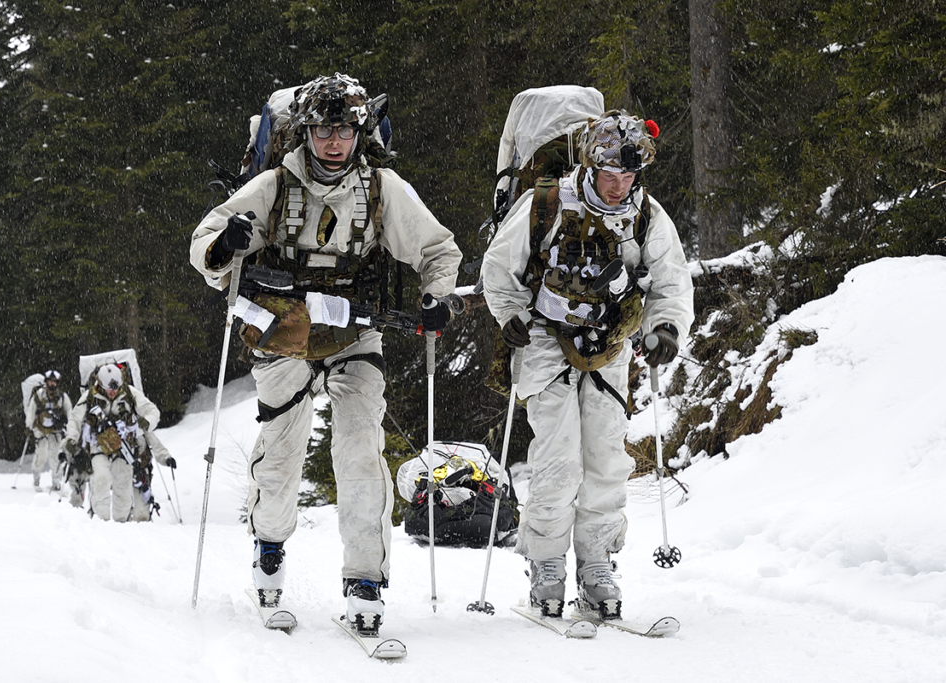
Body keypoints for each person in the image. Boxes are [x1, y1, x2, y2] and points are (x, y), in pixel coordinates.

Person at [189, 73, 461, 633]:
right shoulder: (272, 184)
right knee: (283, 447)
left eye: (344, 130)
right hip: (279, 329)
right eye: (322, 130)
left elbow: (437, 247)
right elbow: (204, 244)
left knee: (361, 445)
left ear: (360, 131)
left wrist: (437, 297)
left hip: (355, 330)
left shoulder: (383, 188)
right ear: (307, 131)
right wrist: (226, 243)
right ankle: (269, 548)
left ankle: (366, 579)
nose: (333, 141)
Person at [481, 110, 694, 619]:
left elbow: (671, 281)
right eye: (610, 174)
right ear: (590, 165)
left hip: (610, 344)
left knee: (605, 458)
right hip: (543, 339)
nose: (619, 185)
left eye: (628, 175)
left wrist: (665, 329)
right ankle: (547, 564)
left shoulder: (647, 216)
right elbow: (498, 266)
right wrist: (509, 313)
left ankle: (596, 563)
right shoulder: (547, 202)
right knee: (558, 458)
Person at [63, 364, 176, 522]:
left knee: (123, 487)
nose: (113, 392)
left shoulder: (130, 393)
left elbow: (153, 411)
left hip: (124, 449)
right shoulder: (90, 396)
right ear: (100, 384)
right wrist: (70, 439)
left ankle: (121, 524)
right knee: (100, 480)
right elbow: (75, 419)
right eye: (109, 388)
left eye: (116, 388)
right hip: (98, 447)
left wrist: (146, 422)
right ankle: (100, 522)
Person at [24, 369, 72, 492]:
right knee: (41, 454)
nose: (52, 384)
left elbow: (70, 413)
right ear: (46, 382)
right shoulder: (39, 395)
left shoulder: (62, 397)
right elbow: (31, 410)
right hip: (40, 429)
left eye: (55, 381)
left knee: (55, 455)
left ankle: (56, 480)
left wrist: (70, 430)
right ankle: (36, 476)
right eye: (50, 381)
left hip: (56, 430)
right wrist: (29, 426)